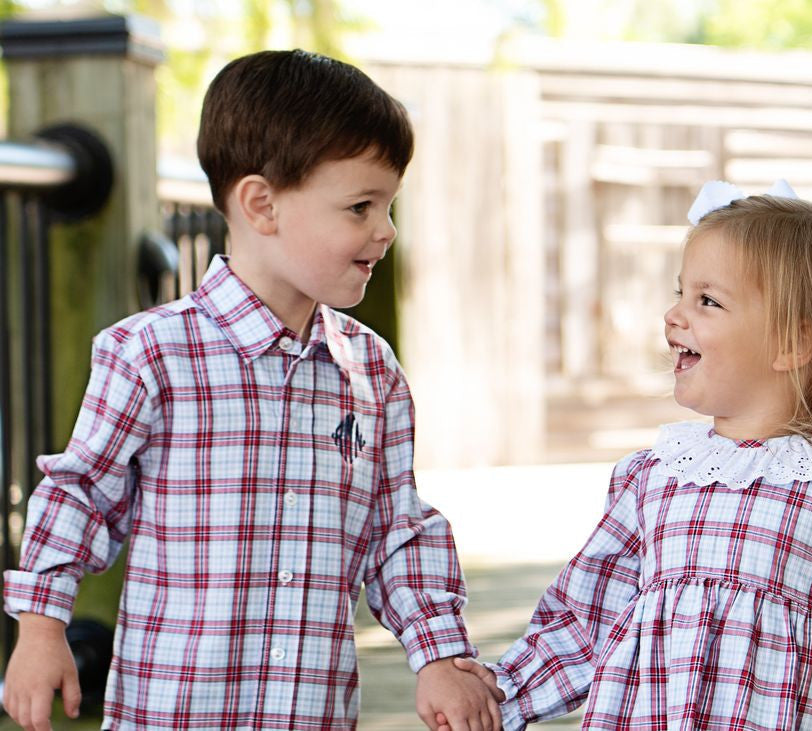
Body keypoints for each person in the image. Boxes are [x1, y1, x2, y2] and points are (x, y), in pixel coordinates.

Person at [2, 50, 501, 731]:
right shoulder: (149, 355)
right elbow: (79, 494)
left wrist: (439, 655)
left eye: (388, 205)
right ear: (261, 203)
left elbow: (396, 531)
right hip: (170, 714)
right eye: (361, 206)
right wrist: (40, 629)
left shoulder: (372, 373)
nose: (385, 230)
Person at [444, 180, 812, 730]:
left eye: (707, 301)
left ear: (792, 344)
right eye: (680, 293)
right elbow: (588, 618)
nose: (673, 315)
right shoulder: (655, 477)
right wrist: (500, 694)